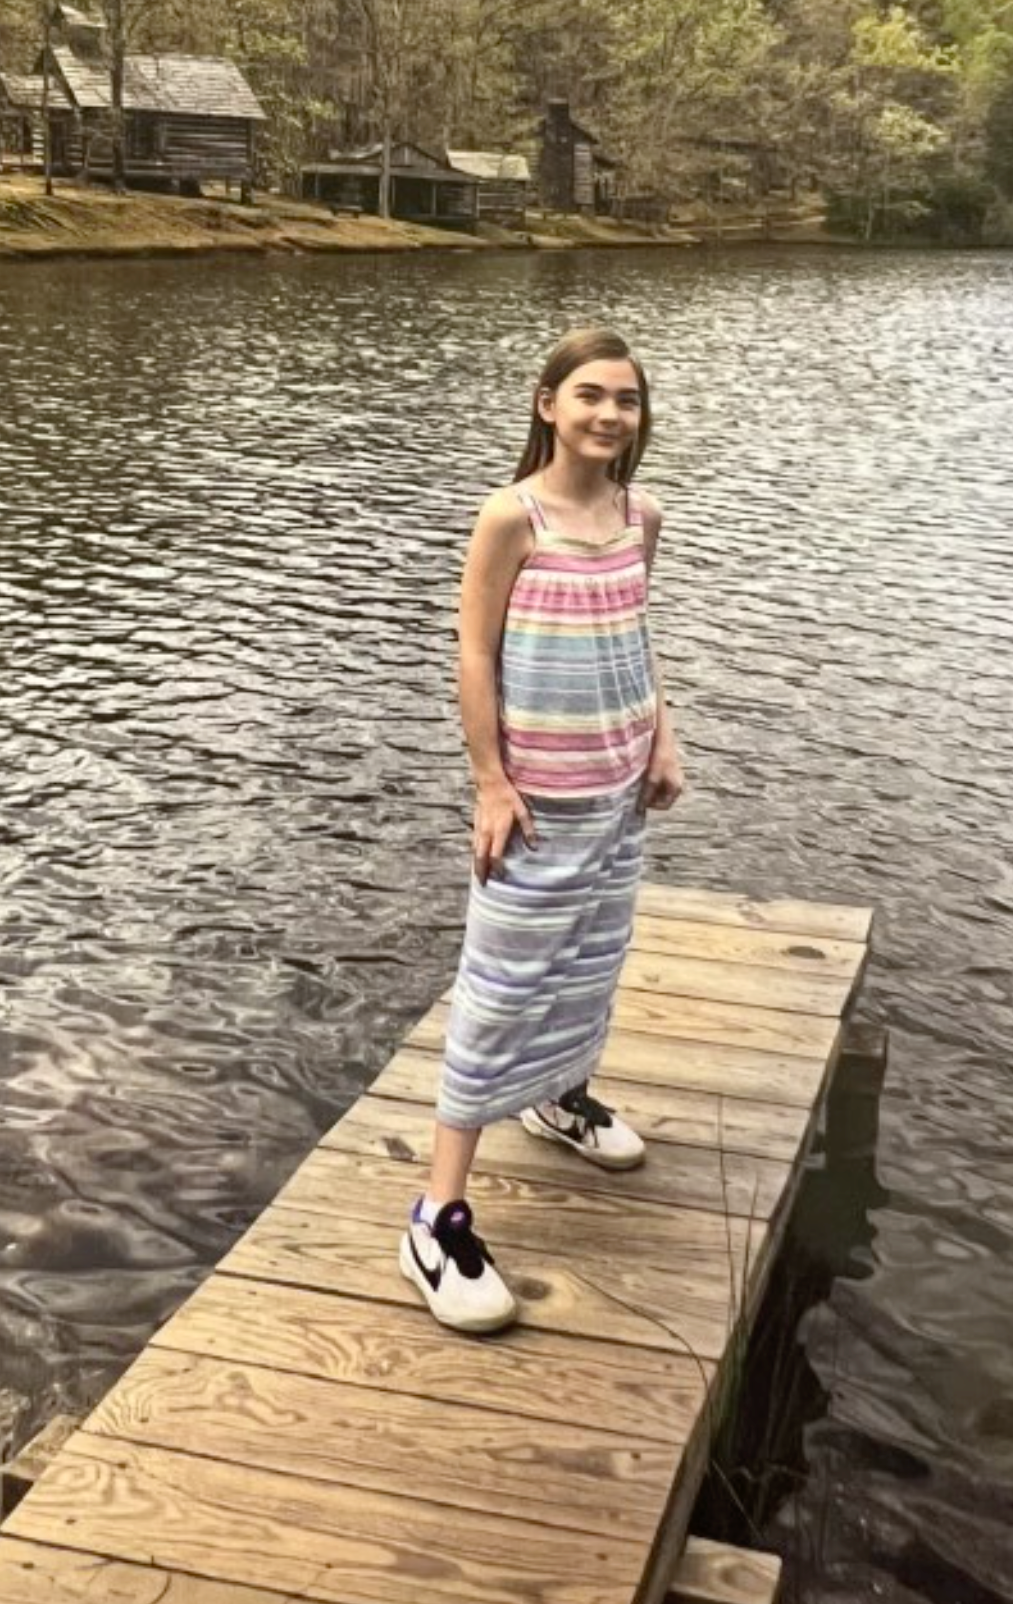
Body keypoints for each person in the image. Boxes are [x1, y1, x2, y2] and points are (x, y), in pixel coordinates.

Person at [399, 326, 685, 1333]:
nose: (610, 413)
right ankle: (436, 1214)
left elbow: (633, 633)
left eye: (628, 400)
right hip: (536, 797)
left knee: (592, 957)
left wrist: (660, 737)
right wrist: (488, 779)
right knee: (501, 985)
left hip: (616, 789)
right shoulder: (508, 518)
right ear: (546, 404)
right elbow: (473, 655)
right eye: (591, 395)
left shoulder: (638, 512)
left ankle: (558, 1093)